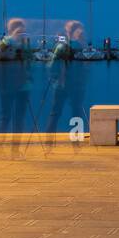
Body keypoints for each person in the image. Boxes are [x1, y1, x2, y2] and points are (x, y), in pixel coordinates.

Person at [0, 17, 32, 159]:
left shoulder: (2, 45)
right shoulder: (10, 46)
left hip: (10, 87)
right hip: (17, 87)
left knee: (8, 118)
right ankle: (10, 151)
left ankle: (3, 150)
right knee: (14, 118)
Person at [45, 20, 88, 153]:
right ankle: (71, 144)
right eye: (80, 31)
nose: (82, 33)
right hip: (69, 86)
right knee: (70, 113)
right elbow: (53, 66)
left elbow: (52, 66)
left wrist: (54, 80)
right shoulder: (70, 47)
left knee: (62, 113)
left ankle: (54, 144)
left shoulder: (68, 46)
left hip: (68, 86)